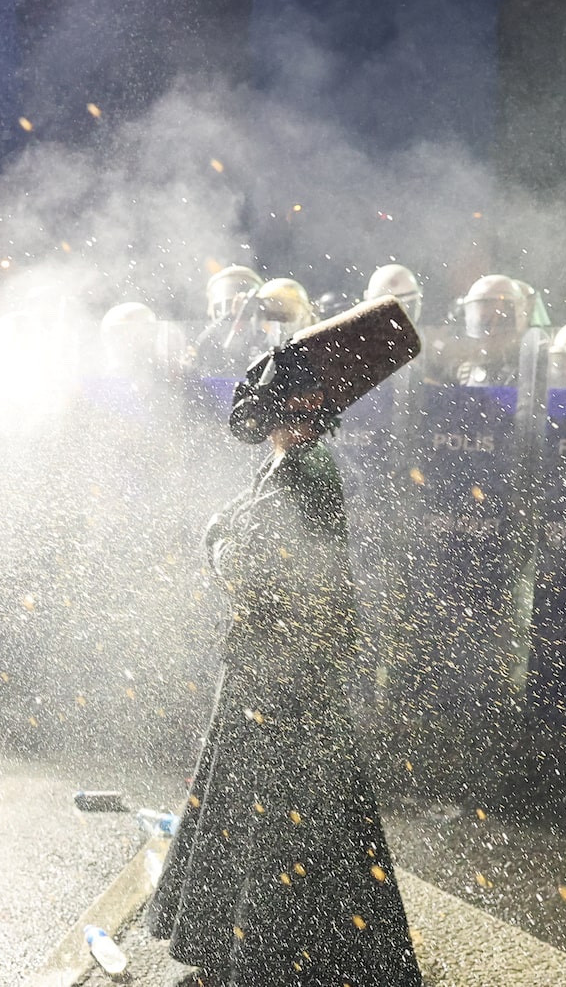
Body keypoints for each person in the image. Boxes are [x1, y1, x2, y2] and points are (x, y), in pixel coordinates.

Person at [149, 296, 423, 987]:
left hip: (286, 674)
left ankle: (274, 957)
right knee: (261, 812)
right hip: (273, 668)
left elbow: (251, 557)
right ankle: (255, 950)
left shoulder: (306, 471)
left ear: (297, 411)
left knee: (280, 818)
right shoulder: (293, 463)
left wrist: (218, 541)